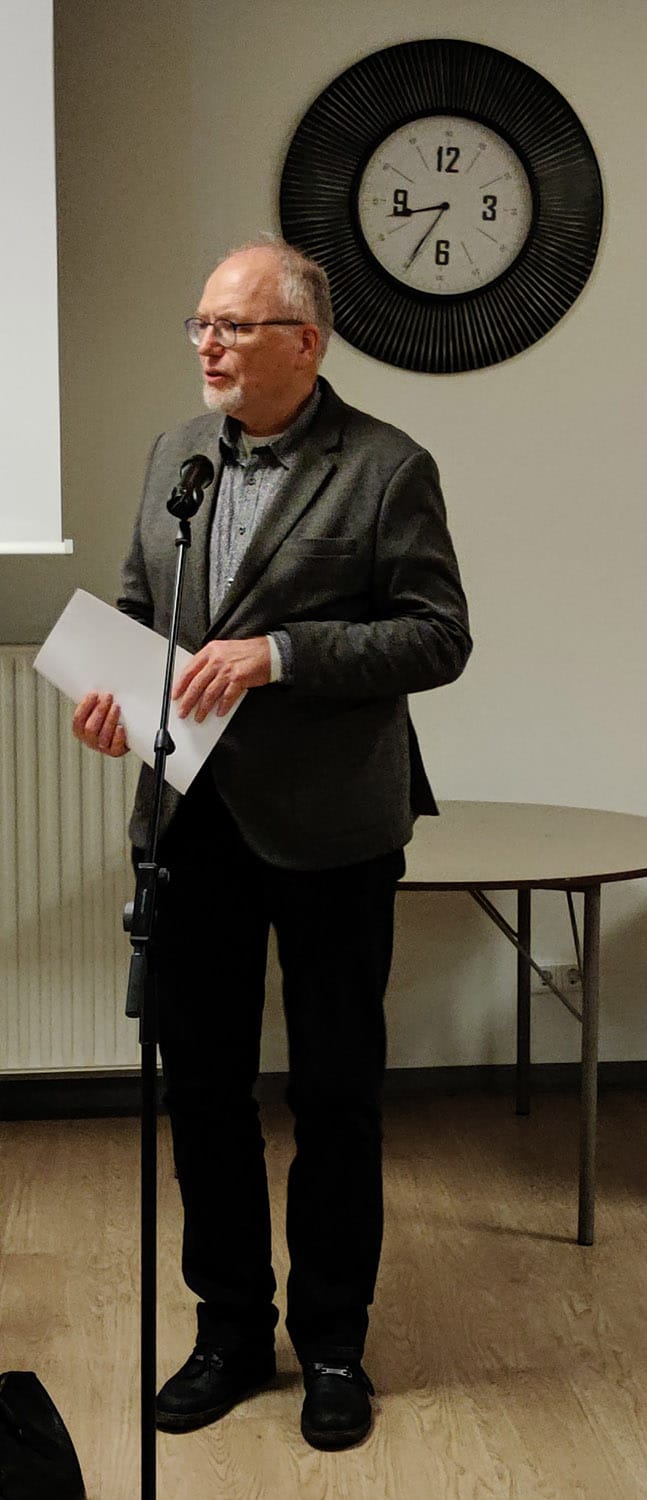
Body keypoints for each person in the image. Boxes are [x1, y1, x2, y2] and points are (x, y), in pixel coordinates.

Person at [72, 236, 472, 1450]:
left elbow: (435, 635)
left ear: (304, 341)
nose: (207, 344)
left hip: (333, 829)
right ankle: (231, 1331)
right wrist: (112, 691)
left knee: (334, 1095)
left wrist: (282, 655)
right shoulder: (176, 457)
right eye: (200, 323)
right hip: (191, 821)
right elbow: (141, 606)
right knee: (201, 1090)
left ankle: (334, 1345)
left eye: (233, 326)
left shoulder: (385, 466)